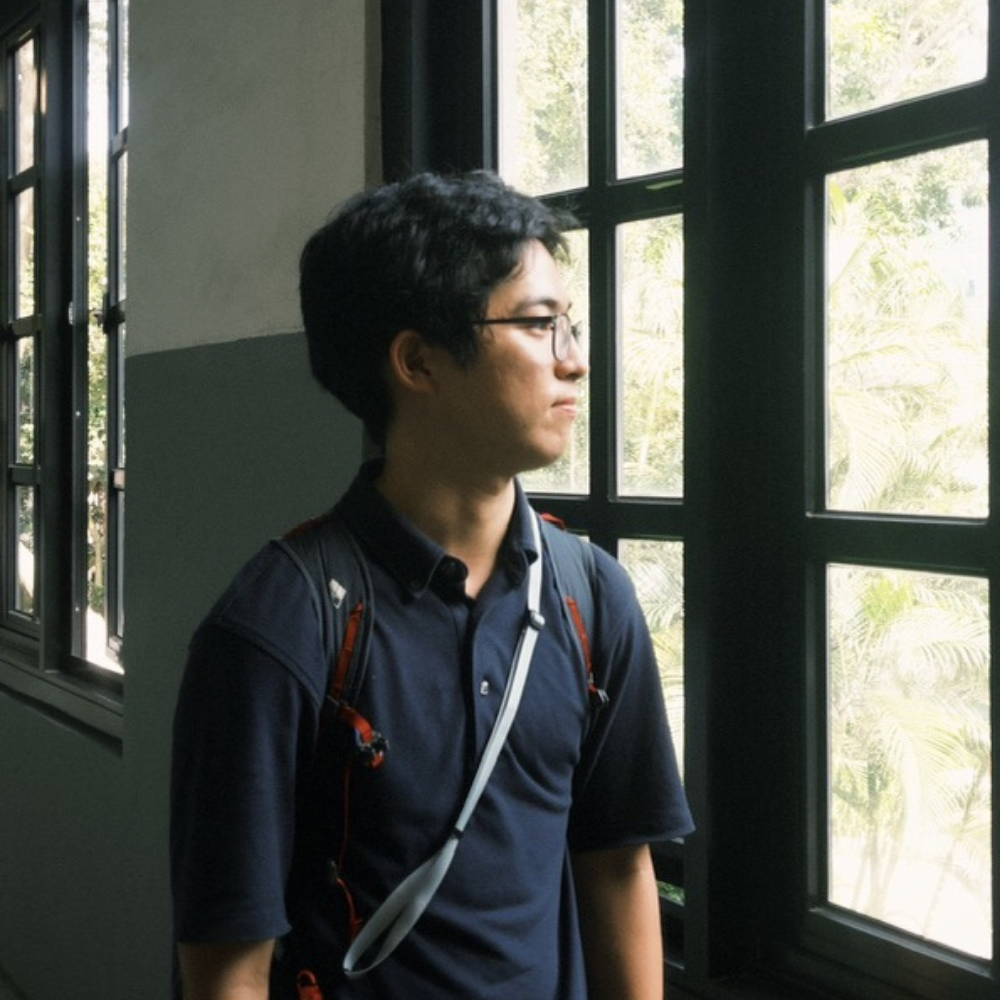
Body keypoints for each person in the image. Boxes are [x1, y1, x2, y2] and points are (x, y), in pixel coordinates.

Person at [171, 170, 693, 1000]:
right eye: (538, 325)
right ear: (416, 361)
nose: (576, 361)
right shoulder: (281, 625)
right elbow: (227, 962)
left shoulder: (592, 597)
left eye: (572, 325)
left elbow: (618, 869)